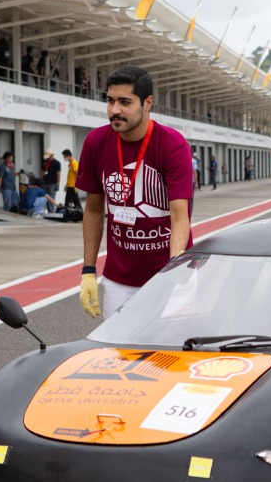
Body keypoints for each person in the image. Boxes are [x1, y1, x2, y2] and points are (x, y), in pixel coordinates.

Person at [78, 66, 194, 320]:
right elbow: (94, 210)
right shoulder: (95, 142)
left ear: (147, 103)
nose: (114, 110)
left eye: (125, 102)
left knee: (171, 354)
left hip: (171, 274)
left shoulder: (173, 145)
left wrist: (173, 272)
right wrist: (88, 270)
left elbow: (179, 217)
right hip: (120, 281)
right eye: (110, 101)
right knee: (120, 355)